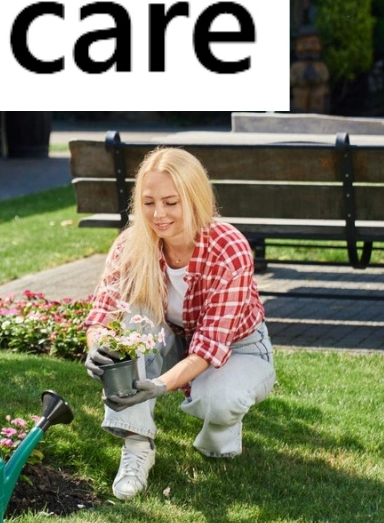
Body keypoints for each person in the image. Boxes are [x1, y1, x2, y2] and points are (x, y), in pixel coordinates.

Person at [83, 147, 276, 500]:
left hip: (238, 348)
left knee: (220, 401)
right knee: (131, 324)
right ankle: (137, 446)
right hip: (170, 338)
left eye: (171, 203)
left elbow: (207, 347)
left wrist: (158, 385)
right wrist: (97, 346)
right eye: (149, 202)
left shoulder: (228, 247)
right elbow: (103, 312)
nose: (158, 215)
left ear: (195, 198)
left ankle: (220, 425)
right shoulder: (131, 243)